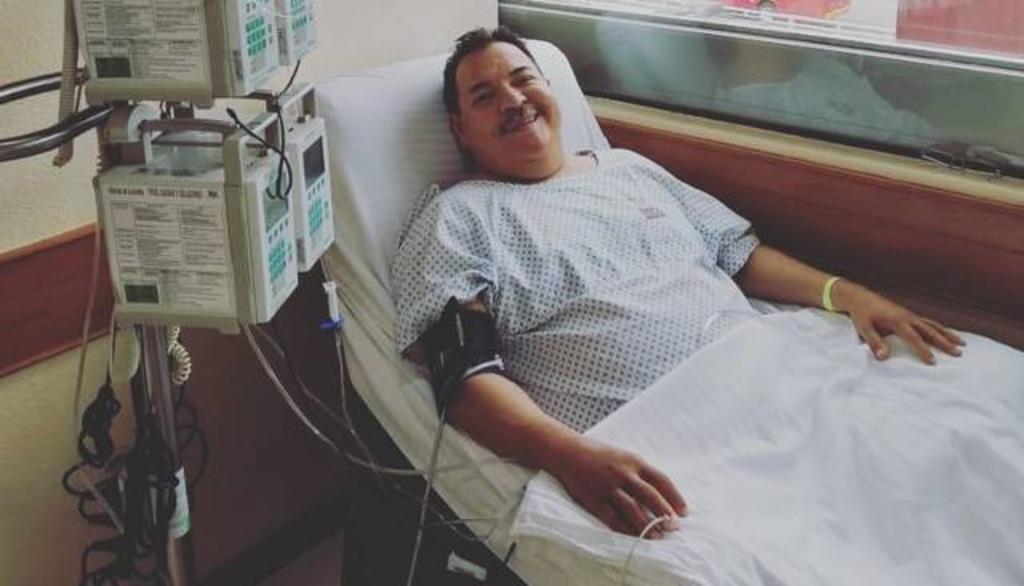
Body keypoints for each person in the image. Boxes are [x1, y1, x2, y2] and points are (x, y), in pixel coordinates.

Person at [390, 27, 965, 540]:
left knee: (940, 464)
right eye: (484, 97)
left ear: (549, 89)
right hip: (676, 436)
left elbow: (739, 255)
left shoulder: (628, 169)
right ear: (461, 130)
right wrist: (571, 457)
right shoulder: (460, 218)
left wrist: (847, 294)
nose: (513, 100)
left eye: (523, 80)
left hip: (781, 376)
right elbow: (465, 378)